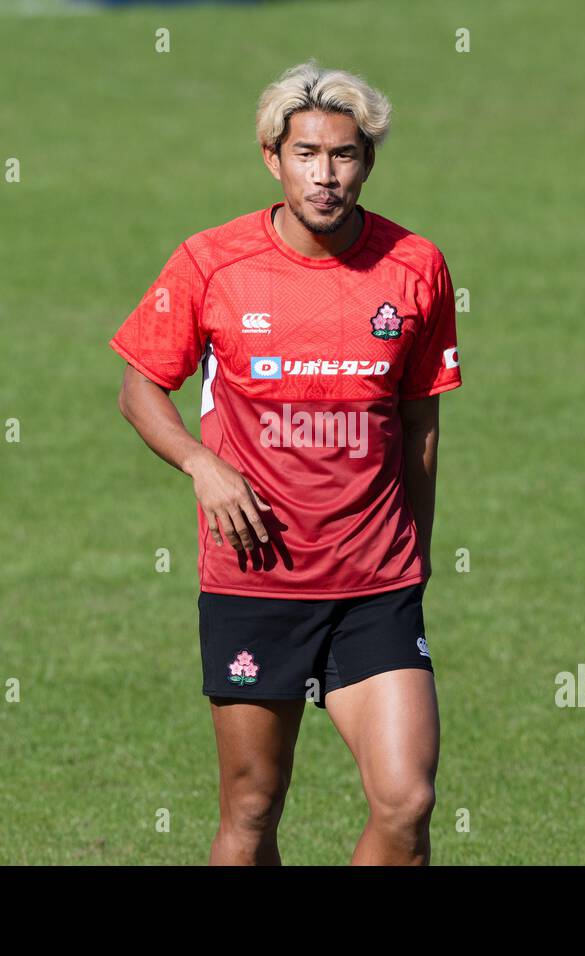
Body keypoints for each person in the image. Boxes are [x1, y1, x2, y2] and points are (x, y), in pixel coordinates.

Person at [109, 59, 462, 865]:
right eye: (307, 154)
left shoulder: (416, 268)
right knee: (253, 809)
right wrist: (202, 464)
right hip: (255, 580)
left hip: (375, 582)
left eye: (343, 155)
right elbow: (139, 388)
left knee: (407, 803)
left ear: (367, 161)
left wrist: (420, 553)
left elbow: (420, 425)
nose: (325, 175)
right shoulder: (211, 263)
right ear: (273, 156)